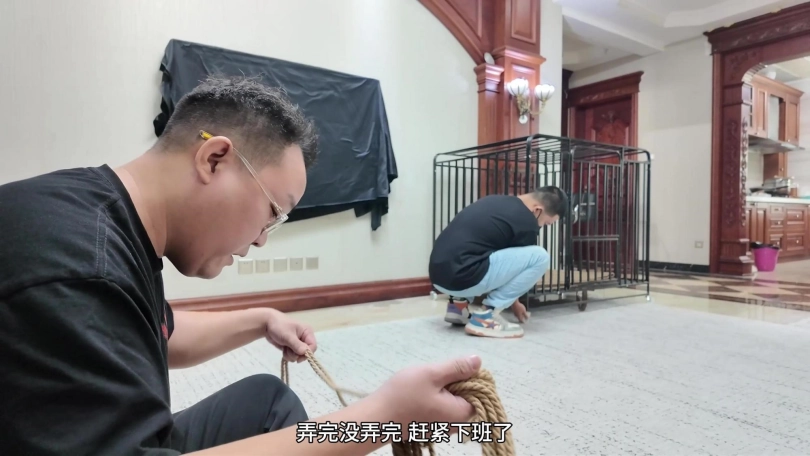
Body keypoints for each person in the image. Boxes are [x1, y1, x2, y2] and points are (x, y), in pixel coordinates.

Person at [0, 76, 481, 456]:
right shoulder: (80, 270)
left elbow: (150, 330)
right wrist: (384, 417)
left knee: (266, 402)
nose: (262, 238)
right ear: (214, 159)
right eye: (273, 212)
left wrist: (260, 320)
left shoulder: (96, 214)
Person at [429, 187, 568, 338]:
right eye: (546, 223)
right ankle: (486, 316)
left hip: (437, 275)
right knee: (540, 257)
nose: (541, 226)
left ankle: (457, 307)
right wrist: (510, 302)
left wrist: (514, 303)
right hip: (463, 277)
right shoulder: (526, 221)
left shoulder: (494, 201)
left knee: (476, 251)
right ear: (537, 210)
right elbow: (513, 271)